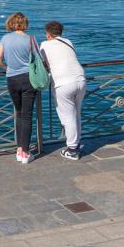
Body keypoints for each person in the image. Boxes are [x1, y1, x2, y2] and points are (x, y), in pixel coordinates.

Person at [0, 11, 37, 164]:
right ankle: (25, 152)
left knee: (19, 113)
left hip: (12, 79)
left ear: (10, 23)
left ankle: (19, 149)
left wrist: (9, 69)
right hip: (28, 79)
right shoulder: (30, 39)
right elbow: (38, 60)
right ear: (25, 23)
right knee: (27, 115)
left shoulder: (5, 38)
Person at [40, 21, 86, 160]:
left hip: (64, 83)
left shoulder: (44, 44)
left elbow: (43, 64)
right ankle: (76, 143)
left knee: (68, 118)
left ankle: (72, 150)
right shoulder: (68, 42)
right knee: (76, 114)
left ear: (48, 34)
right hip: (81, 80)